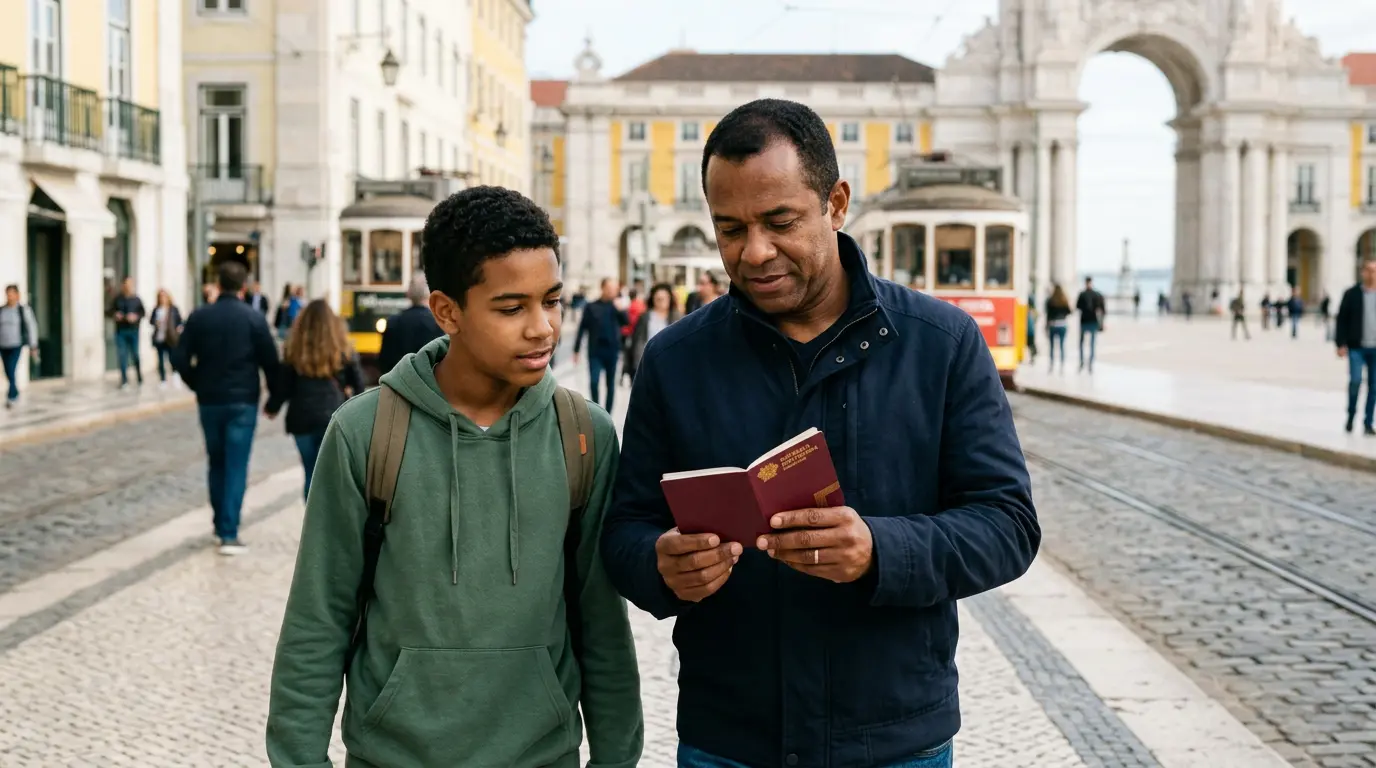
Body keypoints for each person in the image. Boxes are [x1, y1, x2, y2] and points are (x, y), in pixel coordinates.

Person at [601, 98, 1038, 768]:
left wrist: (878, 550)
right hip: (729, 737)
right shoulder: (675, 359)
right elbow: (626, 527)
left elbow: (1008, 525)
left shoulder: (941, 344)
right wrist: (660, 565)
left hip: (895, 738)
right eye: (729, 229)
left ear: (835, 204)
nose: (754, 252)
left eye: (780, 222)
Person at [266, 186, 644, 768]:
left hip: (542, 757)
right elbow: (319, 618)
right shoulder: (366, 432)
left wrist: (616, 759)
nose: (543, 328)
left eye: (553, 300)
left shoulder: (583, 435)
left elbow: (601, 624)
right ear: (447, 311)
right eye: (512, 307)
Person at [172, 261, 281, 555]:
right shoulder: (253, 319)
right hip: (242, 401)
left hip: (209, 400)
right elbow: (271, 362)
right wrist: (274, 400)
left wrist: (195, 382)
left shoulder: (199, 317)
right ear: (244, 286)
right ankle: (228, 531)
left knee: (216, 461)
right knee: (236, 464)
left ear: (218, 284)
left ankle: (220, 523)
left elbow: (179, 357)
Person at [264, 299, 365, 500]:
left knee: (310, 472)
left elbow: (283, 387)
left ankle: (311, 523)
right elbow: (359, 386)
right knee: (329, 475)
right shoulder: (343, 349)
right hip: (333, 417)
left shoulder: (294, 350)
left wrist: (272, 407)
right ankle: (327, 522)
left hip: (301, 419)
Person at [572, 277, 629, 412]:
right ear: (602, 288)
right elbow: (582, 328)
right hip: (595, 351)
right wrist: (576, 350)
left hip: (612, 351)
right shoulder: (591, 306)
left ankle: (607, 414)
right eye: (609, 288)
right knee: (594, 382)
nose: (612, 291)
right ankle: (597, 411)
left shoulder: (616, 306)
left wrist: (621, 309)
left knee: (610, 385)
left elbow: (626, 322)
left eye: (614, 289)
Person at [1335, 257, 1376, 435]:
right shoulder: (1351, 294)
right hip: (1356, 347)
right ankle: (1351, 416)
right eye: (1370, 270)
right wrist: (1340, 343)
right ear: (1363, 272)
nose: (1373, 274)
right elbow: (1342, 319)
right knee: (1355, 382)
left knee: (1374, 387)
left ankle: (1368, 422)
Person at [376, 271, 444, 375]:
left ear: (409, 294)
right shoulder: (439, 323)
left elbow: (384, 361)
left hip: (399, 384)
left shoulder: (393, 322)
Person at [626, 283, 680, 383]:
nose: (661, 302)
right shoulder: (645, 317)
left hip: (670, 363)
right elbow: (638, 340)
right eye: (658, 299)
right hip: (648, 362)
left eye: (664, 299)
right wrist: (635, 364)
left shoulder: (677, 317)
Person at [0, 284, 39, 409]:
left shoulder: (23, 310)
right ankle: (15, 391)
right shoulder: (2, 310)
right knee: (7, 371)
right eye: (8, 293)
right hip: (3, 346)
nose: (9, 296)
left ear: (17, 295)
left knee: (11, 369)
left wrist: (33, 346)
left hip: (16, 345)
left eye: (12, 293)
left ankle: (11, 397)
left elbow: (31, 327)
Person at [111, 277, 146, 389]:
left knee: (135, 355)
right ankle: (124, 380)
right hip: (121, 331)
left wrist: (135, 317)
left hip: (133, 330)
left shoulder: (137, 299)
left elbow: (143, 313)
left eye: (130, 284)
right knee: (122, 356)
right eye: (126, 284)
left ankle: (139, 377)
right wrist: (116, 315)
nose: (128, 287)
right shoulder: (117, 299)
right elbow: (109, 311)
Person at [148, 289, 184, 387]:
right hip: (160, 338)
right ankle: (163, 380)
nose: (162, 298)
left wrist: (179, 328)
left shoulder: (173, 309)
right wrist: (156, 322)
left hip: (170, 338)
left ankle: (175, 376)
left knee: (172, 358)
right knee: (160, 360)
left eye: (164, 296)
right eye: (160, 297)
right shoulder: (156, 309)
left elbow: (179, 321)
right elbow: (151, 321)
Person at [1074, 276, 1105, 373]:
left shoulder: (1082, 294)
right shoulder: (1096, 294)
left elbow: (1077, 306)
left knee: (1085, 343)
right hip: (1091, 321)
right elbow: (1102, 309)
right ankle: (1087, 362)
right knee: (1089, 343)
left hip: (1086, 321)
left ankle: (1085, 361)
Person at [1044, 284, 1072, 372]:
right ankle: (1062, 365)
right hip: (1062, 324)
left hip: (1053, 325)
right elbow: (1069, 311)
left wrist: (1046, 326)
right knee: (1062, 346)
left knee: (1052, 346)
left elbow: (1048, 315)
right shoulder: (1064, 300)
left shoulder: (1050, 300)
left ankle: (1052, 364)